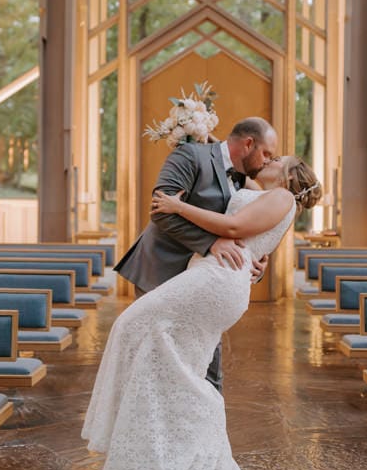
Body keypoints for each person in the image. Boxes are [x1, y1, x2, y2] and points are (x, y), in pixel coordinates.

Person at [55, 155, 322, 470]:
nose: (270, 161)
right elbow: (244, 235)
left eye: (279, 160)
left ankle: (180, 453)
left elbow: (234, 231)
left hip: (216, 282)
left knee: (133, 328)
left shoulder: (280, 196)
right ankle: (171, 462)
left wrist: (178, 208)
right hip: (212, 277)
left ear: (290, 176)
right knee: (168, 365)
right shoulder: (266, 195)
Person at [114, 116, 279, 391]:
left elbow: (243, 228)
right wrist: (211, 243)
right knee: (158, 358)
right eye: (266, 153)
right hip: (163, 271)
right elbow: (161, 210)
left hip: (203, 282)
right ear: (248, 144)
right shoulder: (189, 155)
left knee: (205, 366)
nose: (266, 162)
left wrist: (256, 260)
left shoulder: (243, 179)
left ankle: (205, 428)